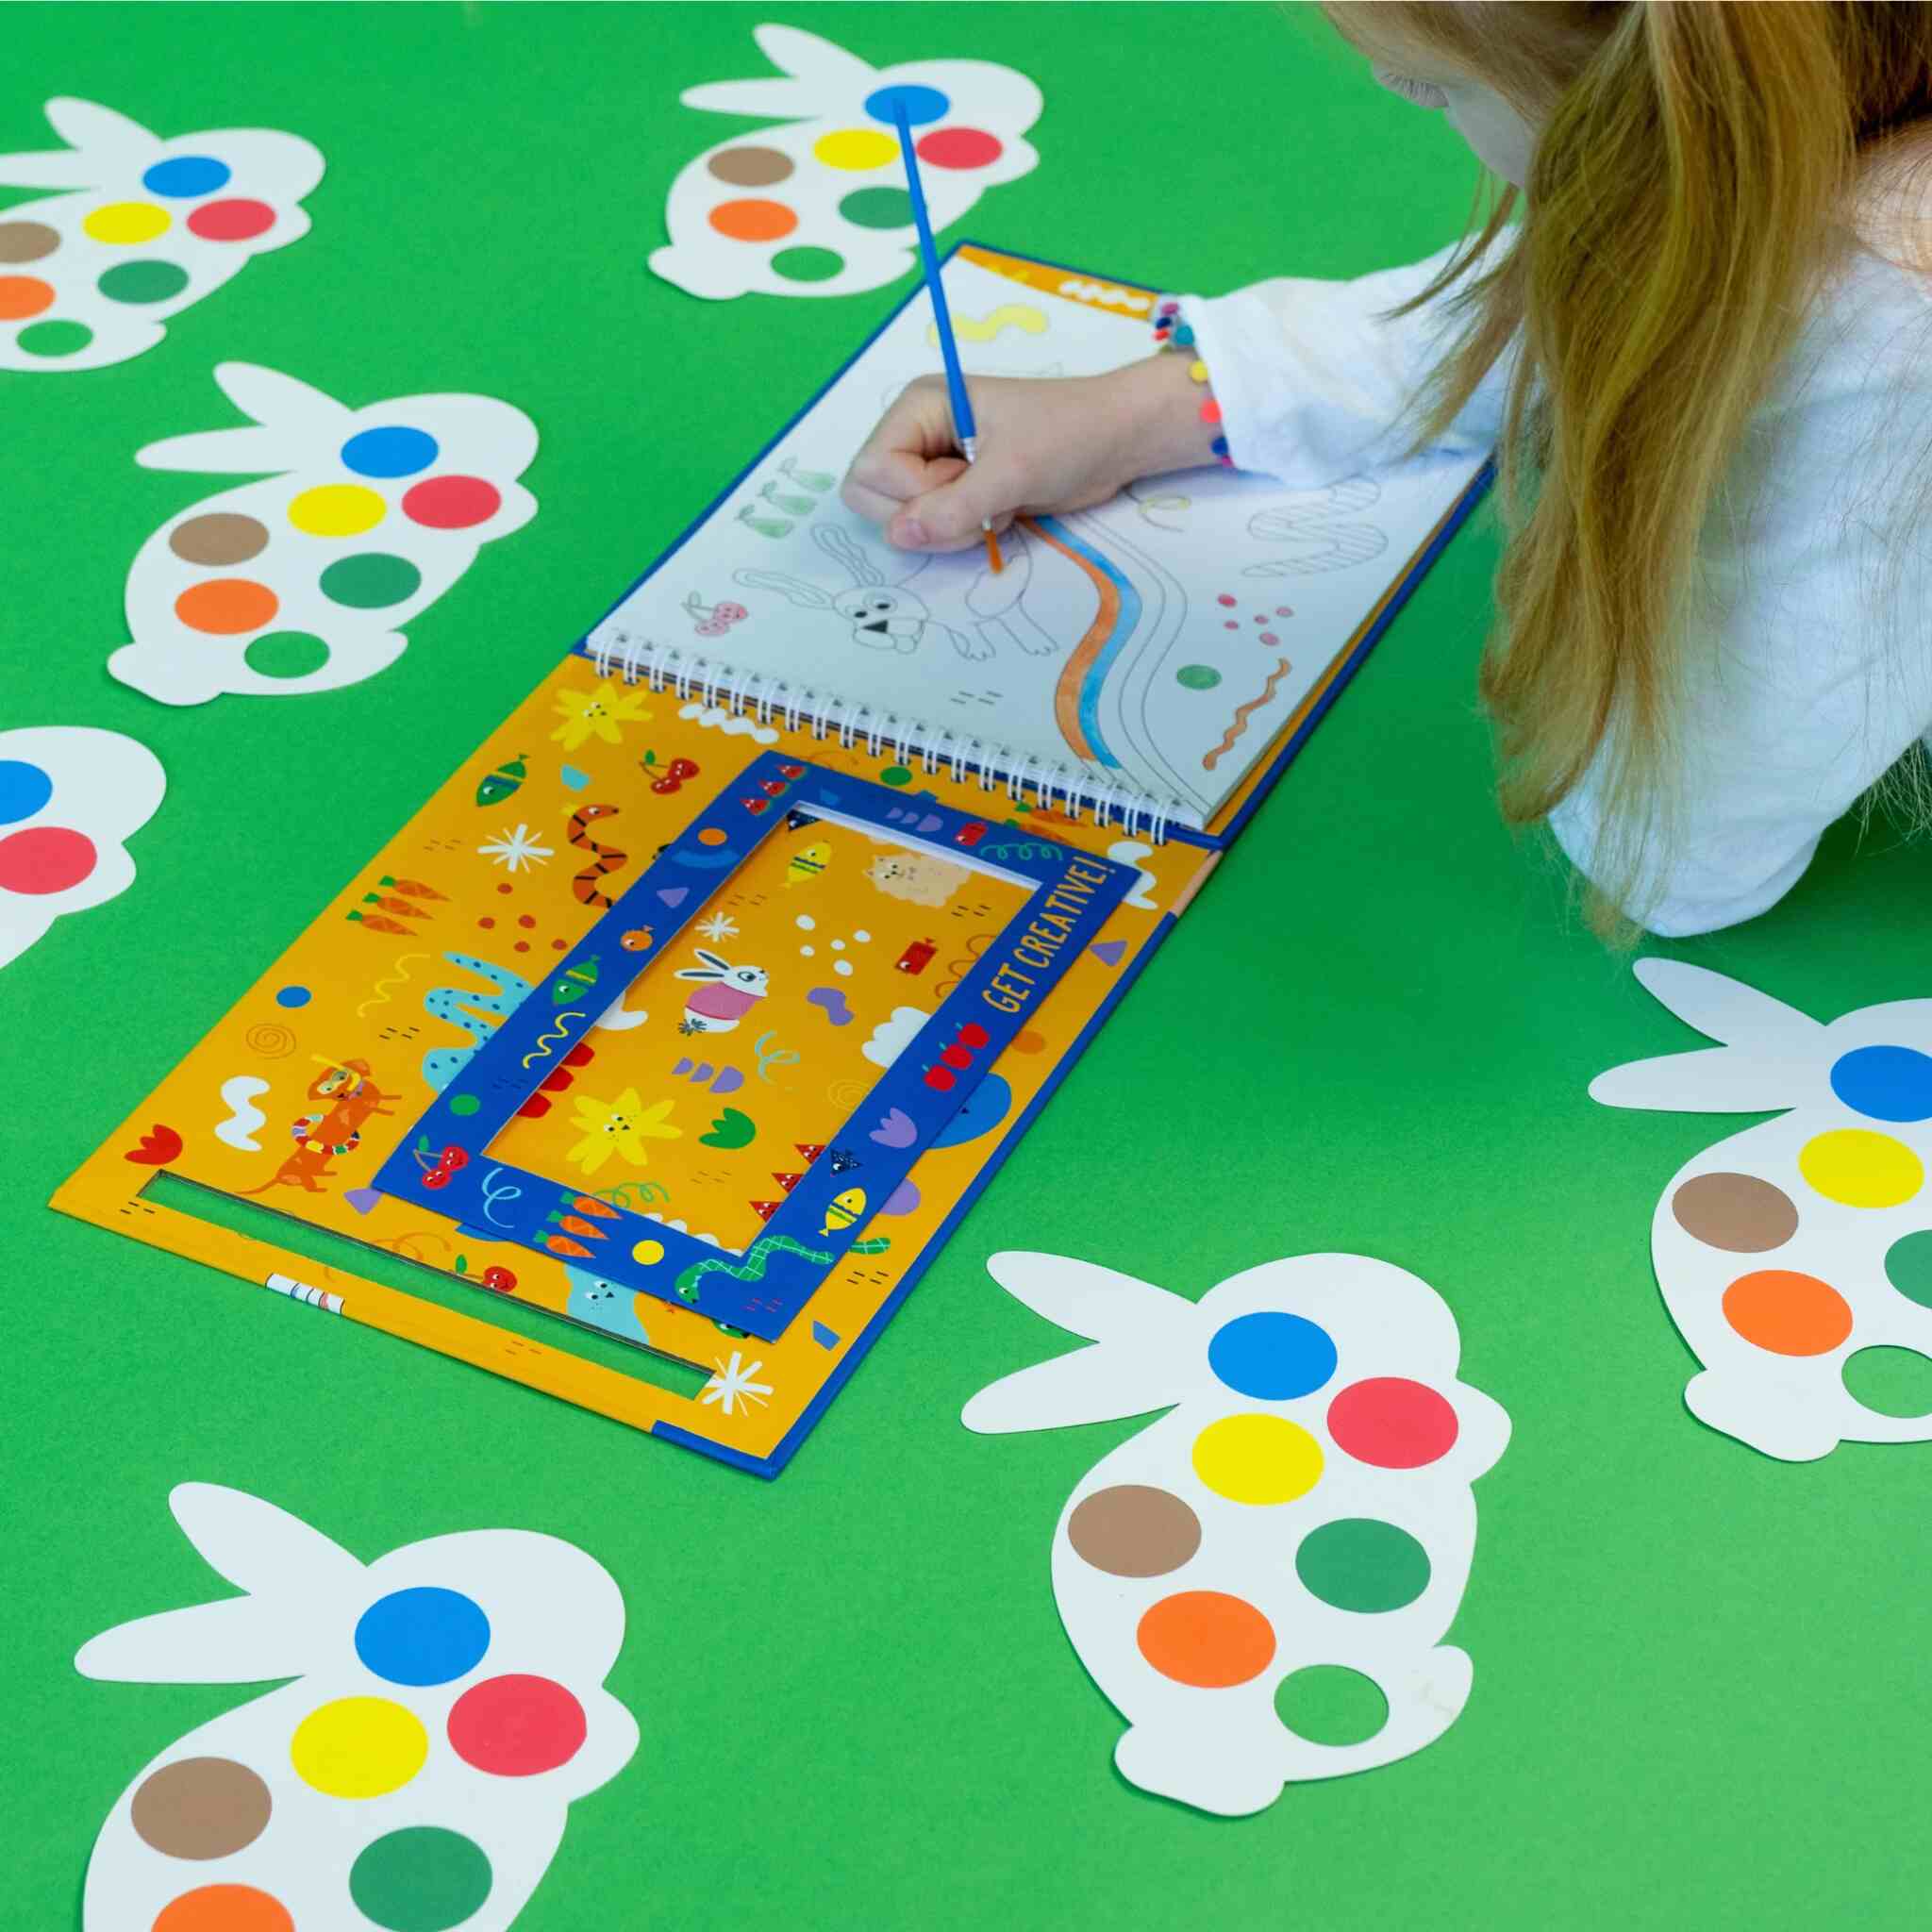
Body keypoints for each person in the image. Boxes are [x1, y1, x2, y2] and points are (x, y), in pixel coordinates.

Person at [841, 3, 1932, 937]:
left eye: (1430, 85)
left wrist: (1633, 494)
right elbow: (1644, 255)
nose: (1389, 90)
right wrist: (1161, 402)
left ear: (1686, 86)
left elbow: (1675, 849)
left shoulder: (1882, 341)